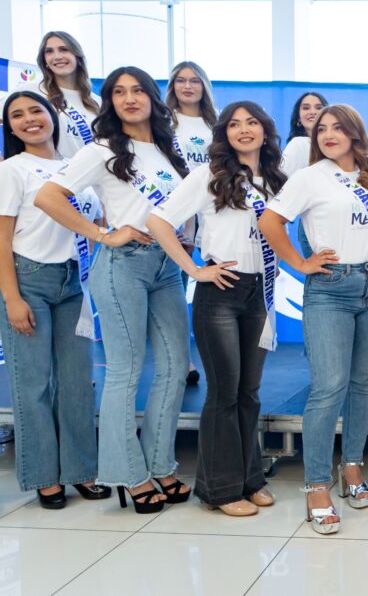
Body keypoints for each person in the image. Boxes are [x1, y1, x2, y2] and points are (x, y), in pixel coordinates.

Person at [35, 66, 193, 515]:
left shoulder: (166, 150)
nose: (129, 98)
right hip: (123, 265)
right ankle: (129, 474)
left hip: (166, 267)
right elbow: (48, 196)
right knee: (127, 370)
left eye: (138, 90)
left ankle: (160, 465)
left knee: (174, 367)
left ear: (153, 98)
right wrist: (102, 234)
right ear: (109, 102)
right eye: (118, 92)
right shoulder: (101, 149)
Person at [259, 104, 368, 535]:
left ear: (356, 134)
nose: (328, 134)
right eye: (322, 129)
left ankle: (352, 466)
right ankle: (317, 485)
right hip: (331, 288)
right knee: (328, 387)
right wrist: (300, 263)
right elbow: (270, 221)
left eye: (338, 128)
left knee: (362, 383)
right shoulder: (309, 177)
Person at [147, 101, 286, 517]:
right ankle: (220, 490)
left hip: (260, 292)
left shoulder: (275, 178)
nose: (244, 129)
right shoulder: (208, 175)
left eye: (252, 122)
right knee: (224, 393)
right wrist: (193, 269)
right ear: (224, 133)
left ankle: (250, 479)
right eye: (234, 124)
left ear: (265, 130)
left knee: (248, 393)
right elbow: (158, 221)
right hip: (221, 291)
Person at [0, 91, 107, 508]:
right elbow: (2, 240)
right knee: (33, 385)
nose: (29, 119)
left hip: (73, 282)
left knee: (77, 383)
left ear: (52, 116)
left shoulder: (75, 167)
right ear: (10, 127)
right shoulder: (11, 169)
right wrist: (12, 298)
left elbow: (94, 220)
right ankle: (44, 476)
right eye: (17, 115)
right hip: (30, 280)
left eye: (36, 110)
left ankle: (81, 470)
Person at [166, 60, 218, 386]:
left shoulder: (217, 124)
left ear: (204, 86)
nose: (187, 86)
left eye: (194, 81)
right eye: (181, 80)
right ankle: (180, 360)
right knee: (174, 289)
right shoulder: (163, 123)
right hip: (176, 213)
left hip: (212, 213)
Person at [30, 30, 100, 157]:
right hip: (51, 169)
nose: (57, 56)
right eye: (49, 51)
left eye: (64, 49)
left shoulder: (97, 101)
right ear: (44, 60)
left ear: (78, 57)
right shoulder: (33, 91)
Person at [280, 92, 327, 177]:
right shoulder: (299, 143)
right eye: (306, 108)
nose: (313, 112)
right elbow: (281, 179)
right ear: (298, 118)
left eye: (319, 108)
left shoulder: (332, 146)